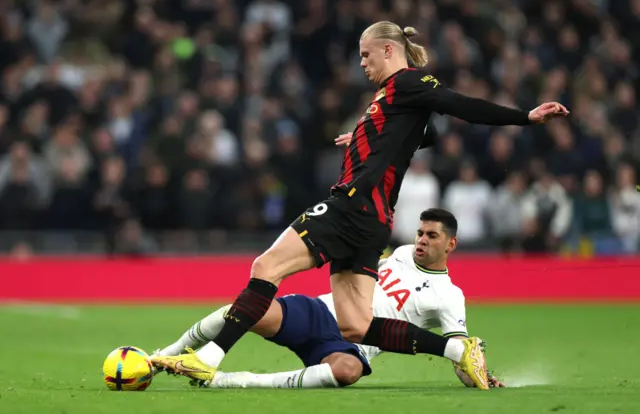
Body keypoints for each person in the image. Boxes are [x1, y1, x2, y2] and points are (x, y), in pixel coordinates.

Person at [151, 21, 568, 391]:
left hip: (352, 206)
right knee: (356, 325)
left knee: (265, 268)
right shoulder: (394, 98)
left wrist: (524, 117)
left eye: (366, 55)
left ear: (389, 50)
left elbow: (460, 105)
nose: (362, 64)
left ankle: (207, 360)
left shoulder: (408, 81)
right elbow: (431, 135)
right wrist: (371, 140)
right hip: (374, 222)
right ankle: (458, 352)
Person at [152, 209, 505, 389]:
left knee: (348, 372)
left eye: (431, 236)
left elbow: (460, 346)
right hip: (320, 310)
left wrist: (480, 375)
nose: (422, 241)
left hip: (356, 342)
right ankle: (165, 357)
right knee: (241, 311)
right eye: (420, 233)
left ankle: (227, 381)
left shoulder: (450, 296)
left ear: (451, 245)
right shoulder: (399, 253)